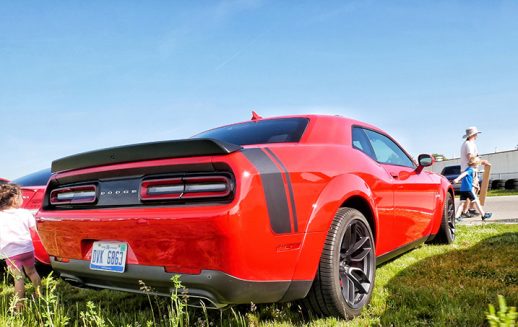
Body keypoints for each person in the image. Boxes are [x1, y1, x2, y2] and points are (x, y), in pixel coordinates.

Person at [0, 183, 41, 311]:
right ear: (14, 199)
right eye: (21, 196)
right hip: (27, 249)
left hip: (11, 253)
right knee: (32, 272)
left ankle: (19, 306)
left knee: (18, 278)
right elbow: (36, 229)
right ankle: (39, 295)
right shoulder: (25, 213)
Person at [460, 126, 490, 216]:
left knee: (476, 189)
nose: (477, 135)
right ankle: (465, 211)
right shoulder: (468, 144)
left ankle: (471, 208)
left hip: (472, 170)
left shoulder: (470, 144)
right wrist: (482, 162)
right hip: (468, 170)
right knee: (470, 191)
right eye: (476, 134)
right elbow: (470, 158)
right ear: (473, 134)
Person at [453, 157, 492, 221]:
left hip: (463, 190)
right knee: (476, 201)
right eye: (478, 164)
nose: (478, 165)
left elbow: (468, 181)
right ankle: (483, 215)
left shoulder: (468, 169)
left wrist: (475, 186)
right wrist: (457, 179)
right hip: (469, 190)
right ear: (474, 164)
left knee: (461, 203)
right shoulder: (470, 170)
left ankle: (456, 217)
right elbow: (463, 174)